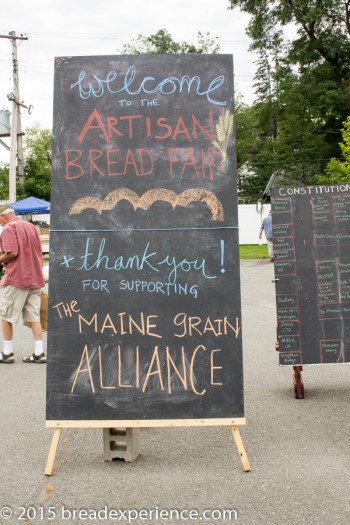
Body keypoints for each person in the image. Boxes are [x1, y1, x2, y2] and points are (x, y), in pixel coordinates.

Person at [0, 205, 46, 364]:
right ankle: (39, 352)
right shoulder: (31, 227)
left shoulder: (8, 228)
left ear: (3, 216)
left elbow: (12, 252)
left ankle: (7, 353)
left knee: (6, 315)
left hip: (17, 278)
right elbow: (39, 253)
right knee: (34, 316)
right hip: (35, 277)